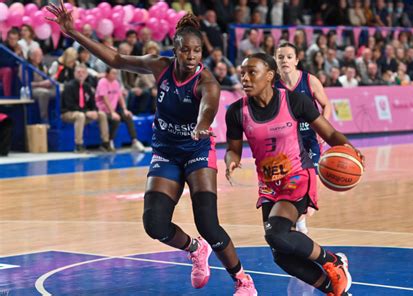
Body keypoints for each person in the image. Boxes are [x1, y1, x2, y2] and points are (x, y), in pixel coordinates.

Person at [46, 4, 257, 295]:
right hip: (167, 151)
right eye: (186, 50)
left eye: (197, 51)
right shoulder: (160, 66)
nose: (192, 56)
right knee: (155, 224)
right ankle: (195, 249)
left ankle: (243, 280)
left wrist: (200, 124)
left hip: (197, 149)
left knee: (208, 223)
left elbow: (208, 108)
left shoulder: (207, 82)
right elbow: (117, 59)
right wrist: (74, 33)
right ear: (175, 48)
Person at [225, 53, 364, 296]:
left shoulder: (294, 101)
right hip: (268, 184)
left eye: (252, 72)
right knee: (282, 256)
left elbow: (330, 134)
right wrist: (232, 161)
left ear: (269, 76)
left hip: (298, 175)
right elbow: (233, 149)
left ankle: (333, 261)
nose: (245, 78)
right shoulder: (236, 111)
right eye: (242, 73)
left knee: (276, 233)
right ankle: (333, 289)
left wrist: (351, 150)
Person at [274, 42, 332, 234]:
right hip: (286, 141)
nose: (285, 60)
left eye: (289, 56)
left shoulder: (310, 80)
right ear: (275, 60)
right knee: (289, 181)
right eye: (280, 57)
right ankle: (296, 218)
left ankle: (301, 221)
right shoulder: (272, 84)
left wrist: (322, 127)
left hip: (309, 138)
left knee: (310, 178)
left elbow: (326, 105)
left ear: (296, 60)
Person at [61, 64, 111, 153]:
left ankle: (105, 143)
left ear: (86, 74)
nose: (81, 74)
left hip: (84, 113)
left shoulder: (87, 87)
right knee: (80, 116)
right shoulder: (69, 86)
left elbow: (93, 103)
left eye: (83, 72)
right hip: (68, 113)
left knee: (101, 114)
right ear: (74, 73)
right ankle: (78, 145)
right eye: (78, 72)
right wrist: (86, 112)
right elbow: (70, 106)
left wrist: (95, 111)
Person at [95, 68, 145, 152]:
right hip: (102, 110)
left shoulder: (116, 83)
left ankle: (134, 141)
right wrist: (112, 112)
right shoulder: (102, 82)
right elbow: (105, 98)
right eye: (113, 73)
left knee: (128, 116)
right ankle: (109, 142)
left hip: (113, 110)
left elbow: (120, 97)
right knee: (116, 119)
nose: (115, 75)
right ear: (107, 73)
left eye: (116, 73)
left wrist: (125, 109)